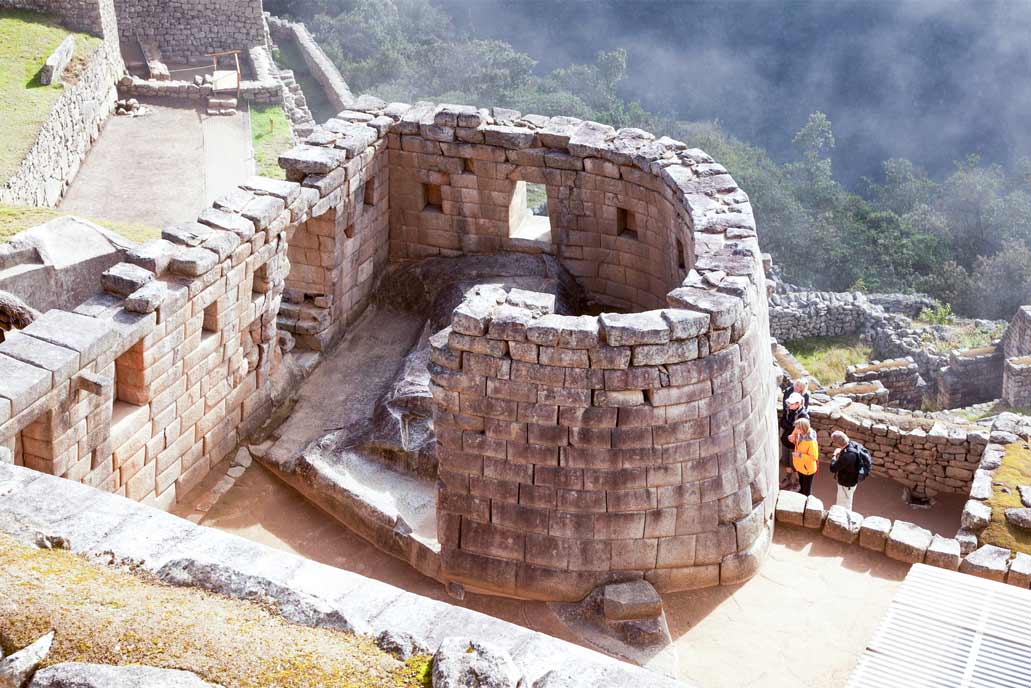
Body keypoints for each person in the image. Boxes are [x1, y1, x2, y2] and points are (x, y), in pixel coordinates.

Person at [829, 430, 873, 510]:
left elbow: (833, 468)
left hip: (846, 484)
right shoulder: (853, 444)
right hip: (853, 480)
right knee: (847, 500)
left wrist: (834, 455)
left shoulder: (847, 456)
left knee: (843, 504)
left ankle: (842, 519)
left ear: (838, 444)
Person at [779, 392, 809, 490]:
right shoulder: (788, 410)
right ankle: (788, 479)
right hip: (786, 441)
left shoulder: (803, 415)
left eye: (791, 404)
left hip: (795, 444)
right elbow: (782, 422)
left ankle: (797, 481)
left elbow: (800, 430)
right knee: (786, 462)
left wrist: (788, 426)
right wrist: (790, 427)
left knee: (795, 464)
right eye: (789, 403)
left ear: (798, 404)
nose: (789, 405)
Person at [790, 417, 819, 496]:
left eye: (797, 428)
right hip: (800, 466)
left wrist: (799, 455)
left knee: (807, 490)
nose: (795, 429)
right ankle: (801, 494)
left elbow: (814, 457)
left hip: (807, 469)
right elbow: (796, 440)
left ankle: (806, 503)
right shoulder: (800, 433)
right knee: (802, 485)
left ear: (803, 429)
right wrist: (792, 438)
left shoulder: (811, 442)